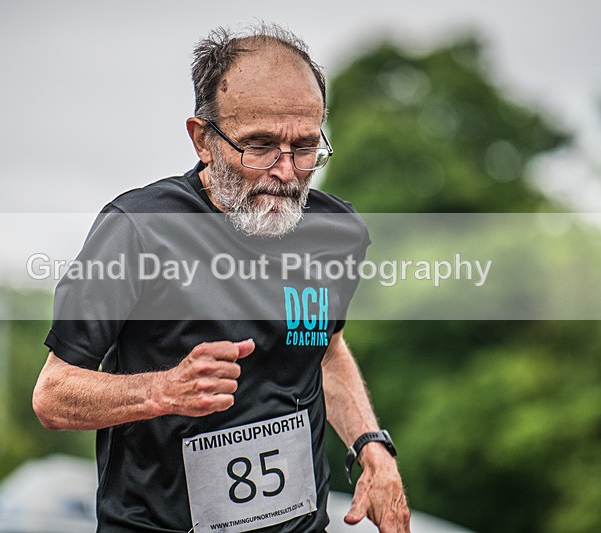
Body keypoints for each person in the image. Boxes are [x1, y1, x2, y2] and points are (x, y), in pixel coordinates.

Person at [33, 23, 410, 533]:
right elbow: (53, 394)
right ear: (202, 139)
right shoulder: (139, 230)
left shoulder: (336, 232)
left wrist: (372, 447)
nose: (285, 170)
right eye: (259, 146)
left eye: (304, 147)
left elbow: (326, 350)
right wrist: (163, 390)